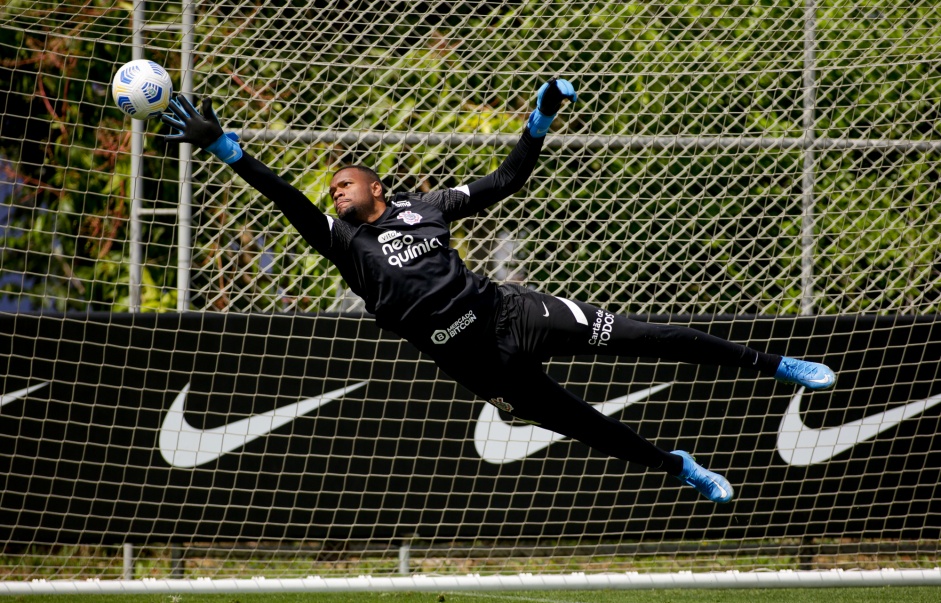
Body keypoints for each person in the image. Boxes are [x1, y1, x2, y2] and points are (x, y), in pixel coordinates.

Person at [161, 78, 836, 504]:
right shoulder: (344, 246)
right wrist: (227, 148)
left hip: (515, 312)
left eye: (346, 181)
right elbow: (288, 203)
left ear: (377, 188)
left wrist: (537, 121)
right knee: (586, 426)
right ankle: (677, 466)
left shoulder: (424, 207)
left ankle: (774, 365)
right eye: (332, 186)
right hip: (479, 364)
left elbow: (508, 179)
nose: (334, 189)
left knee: (645, 335)